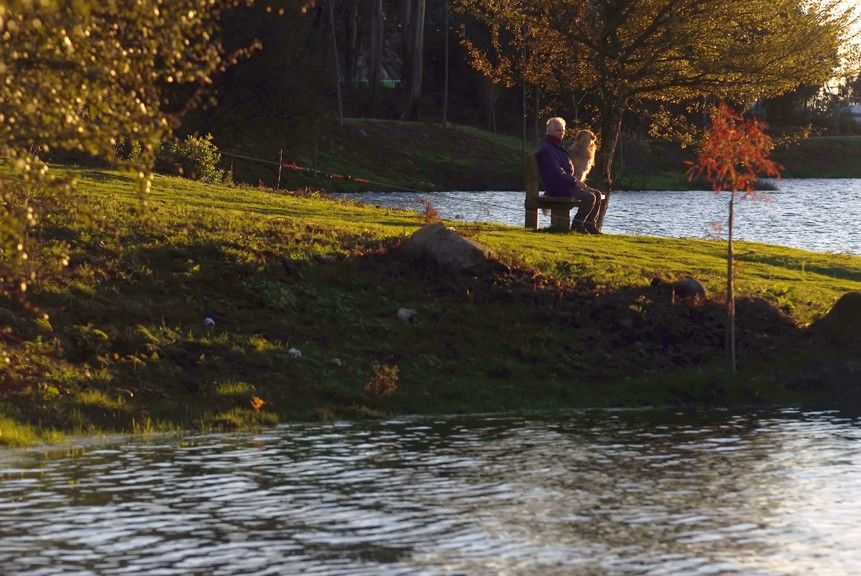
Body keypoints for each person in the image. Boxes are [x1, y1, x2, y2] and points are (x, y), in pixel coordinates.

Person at [535, 118, 602, 233]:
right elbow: (557, 172)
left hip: (566, 184)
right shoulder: (548, 149)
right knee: (590, 197)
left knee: (597, 194)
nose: (561, 133)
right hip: (558, 187)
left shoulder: (558, 148)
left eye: (563, 130)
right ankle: (577, 226)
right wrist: (575, 182)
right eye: (558, 130)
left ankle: (590, 225)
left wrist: (575, 182)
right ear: (549, 131)